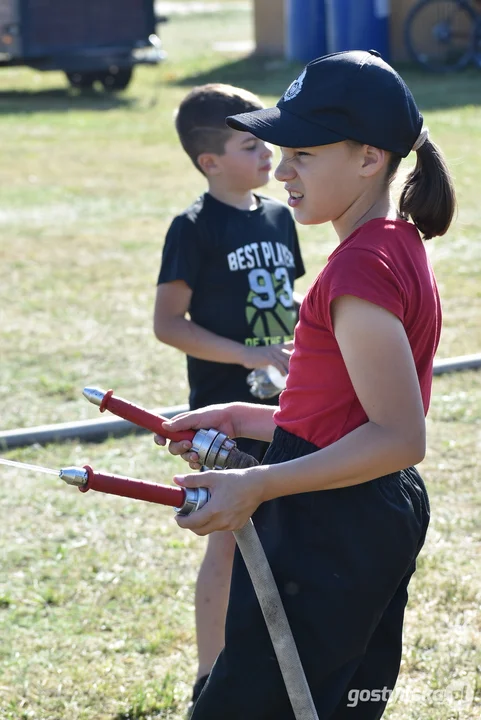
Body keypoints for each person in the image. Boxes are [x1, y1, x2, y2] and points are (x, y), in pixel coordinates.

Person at [155, 50, 456, 720]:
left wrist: (259, 482)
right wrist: (246, 417)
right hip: (353, 511)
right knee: (343, 700)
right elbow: (347, 416)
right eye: (276, 150)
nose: (280, 170)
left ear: (369, 157)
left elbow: (399, 437)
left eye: (304, 155)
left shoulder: (359, 272)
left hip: (332, 526)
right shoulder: (392, 242)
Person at [152, 83, 305, 714]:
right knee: (229, 540)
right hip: (222, 415)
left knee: (286, 534)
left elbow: (287, 307)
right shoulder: (192, 227)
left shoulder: (279, 215)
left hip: (281, 411)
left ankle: (277, 661)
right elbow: (169, 324)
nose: (268, 152)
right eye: (250, 143)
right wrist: (248, 355)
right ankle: (208, 676)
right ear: (210, 160)